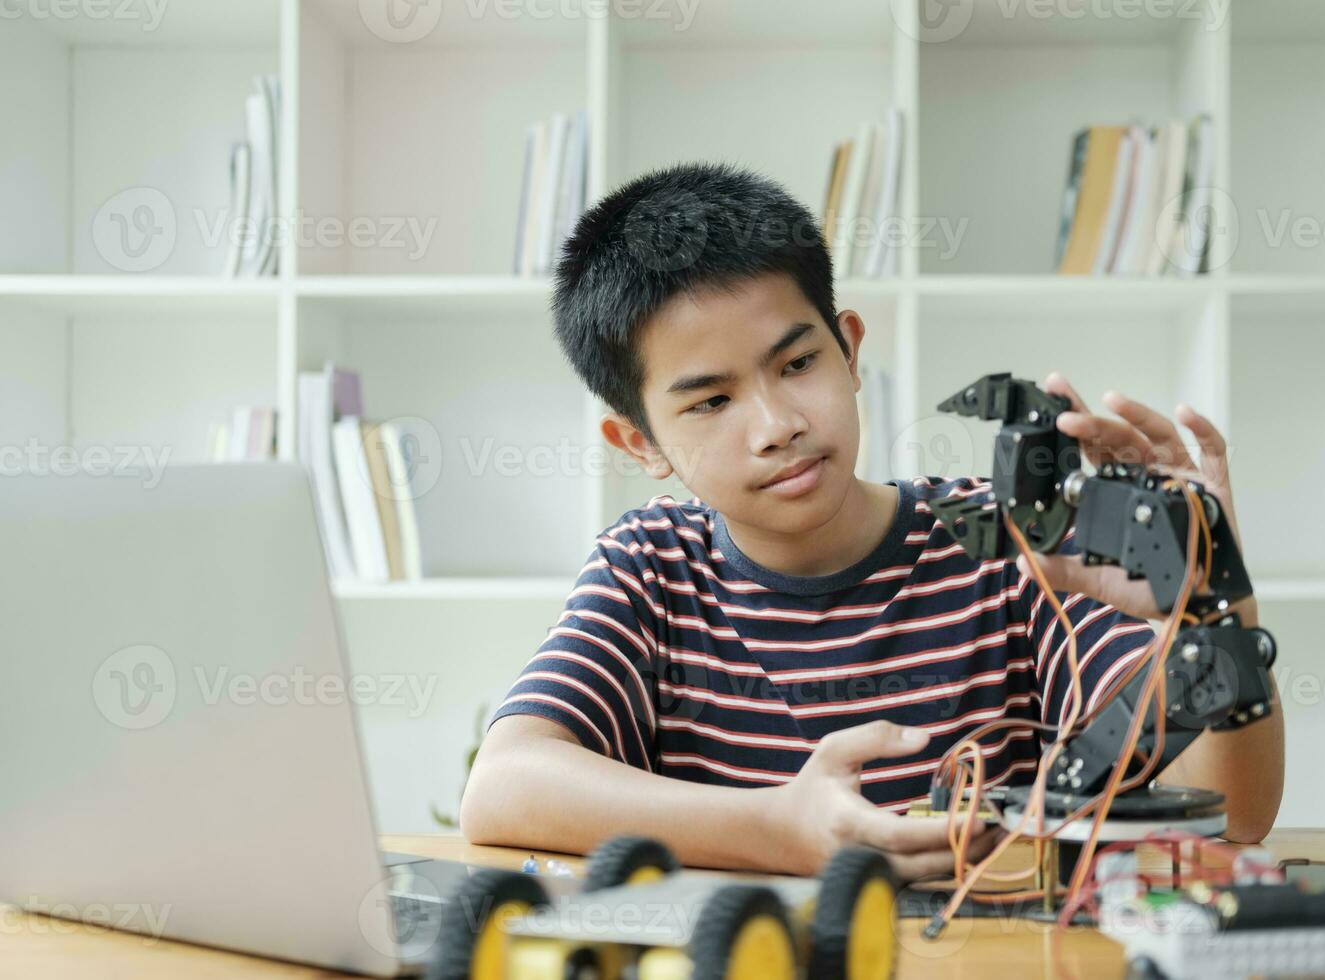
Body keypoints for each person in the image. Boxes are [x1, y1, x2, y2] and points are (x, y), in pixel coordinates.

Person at [460, 162, 1283, 878]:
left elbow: (1231, 814)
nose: (776, 422)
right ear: (640, 441)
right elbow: (502, 787)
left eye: (798, 363)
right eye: (711, 400)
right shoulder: (649, 570)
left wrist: (1217, 601)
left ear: (850, 351)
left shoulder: (1007, 544)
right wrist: (780, 830)